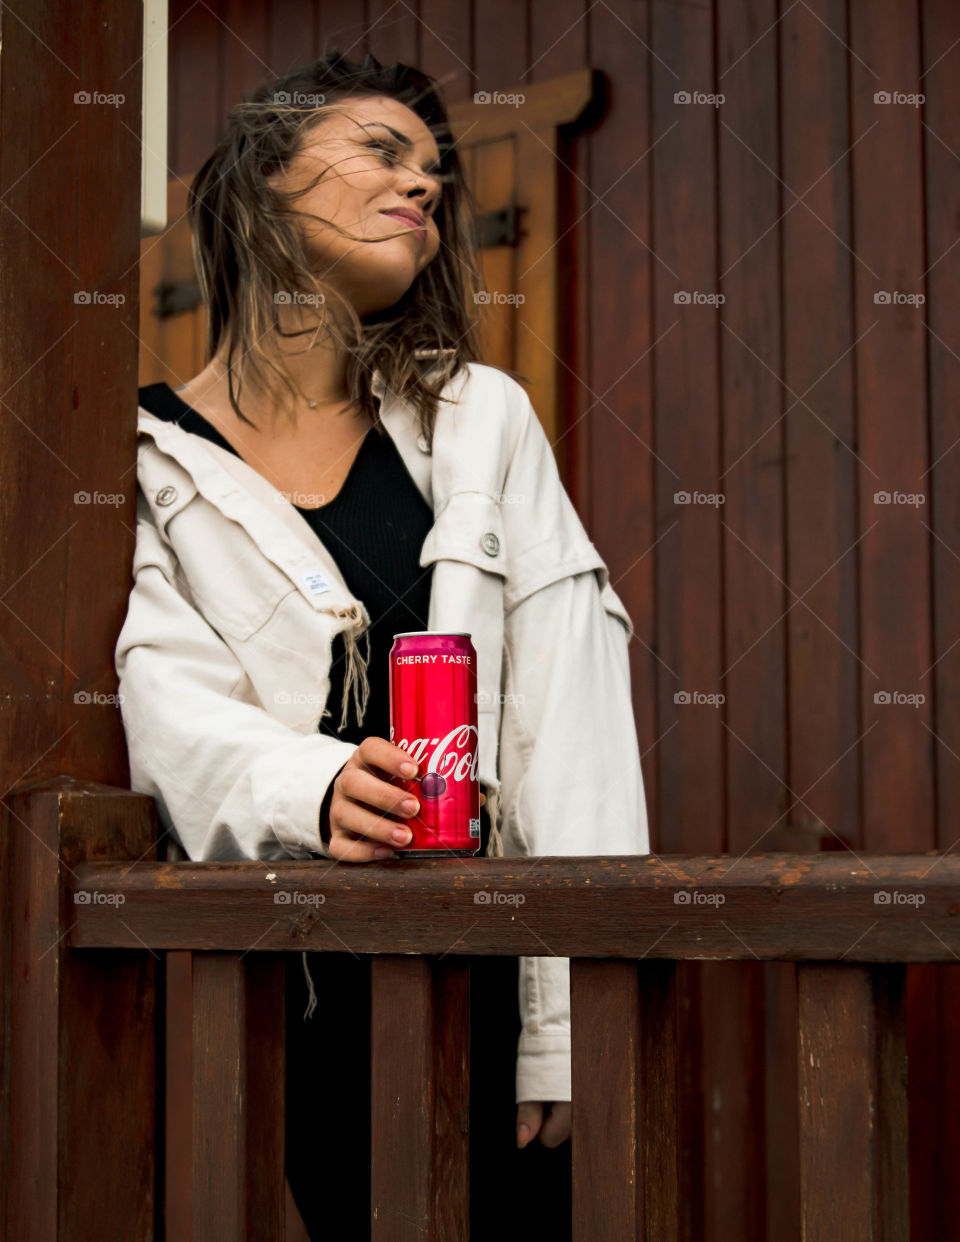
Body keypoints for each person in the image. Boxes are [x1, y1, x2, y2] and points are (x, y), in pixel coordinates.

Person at [115, 49, 649, 1239]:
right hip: (287, 998)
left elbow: (570, 715)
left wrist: (568, 1030)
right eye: (382, 151)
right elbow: (165, 699)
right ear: (264, 179)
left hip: (485, 979)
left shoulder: (479, 421)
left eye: (435, 170)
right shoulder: (153, 459)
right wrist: (313, 787)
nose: (425, 184)